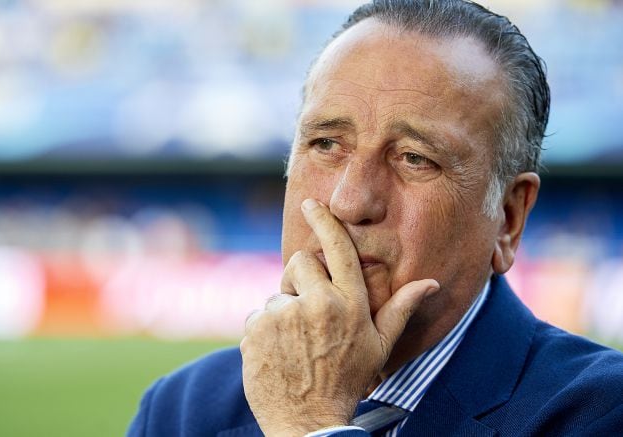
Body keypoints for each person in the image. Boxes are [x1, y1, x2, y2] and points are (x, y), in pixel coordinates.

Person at [127, 1, 623, 435]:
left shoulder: (599, 413)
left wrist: (312, 426)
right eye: (326, 145)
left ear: (508, 218)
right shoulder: (180, 410)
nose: (349, 202)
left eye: (414, 158)